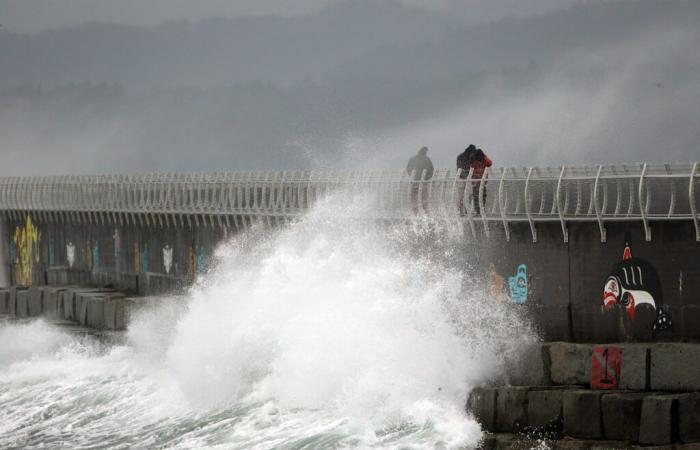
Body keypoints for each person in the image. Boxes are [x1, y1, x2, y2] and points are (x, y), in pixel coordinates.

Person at [406, 146, 434, 213]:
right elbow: (431, 169)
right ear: (425, 152)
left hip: (415, 180)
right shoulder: (427, 159)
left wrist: (413, 176)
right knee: (424, 196)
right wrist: (427, 178)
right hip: (424, 181)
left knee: (414, 196)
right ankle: (425, 210)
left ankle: (415, 210)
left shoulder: (412, 159)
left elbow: (408, 168)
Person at [456, 145, 476, 214]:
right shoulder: (462, 157)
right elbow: (462, 167)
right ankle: (461, 210)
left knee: (468, 194)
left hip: (465, 178)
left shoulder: (464, 157)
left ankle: (465, 209)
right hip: (462, 178)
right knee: (463, 195)